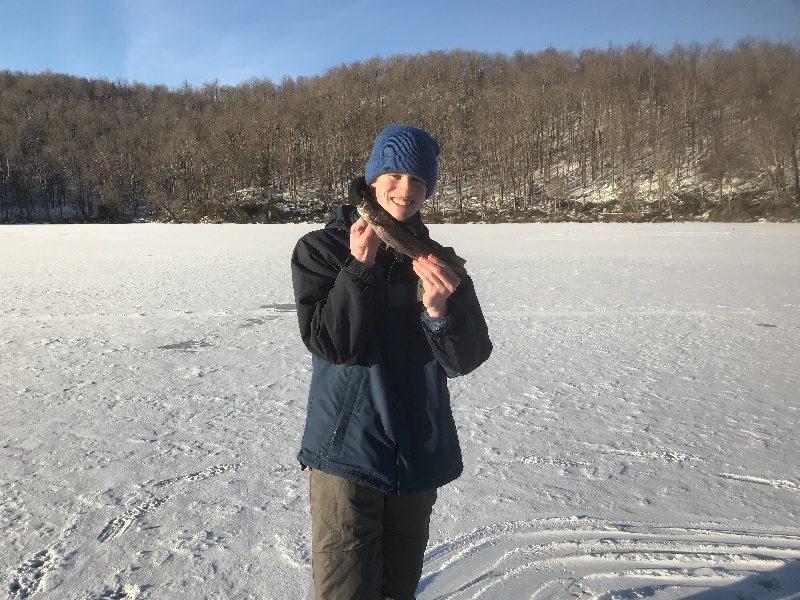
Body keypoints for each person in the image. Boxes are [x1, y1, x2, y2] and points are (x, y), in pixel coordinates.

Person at [291, 124, 492, 599]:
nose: (407, 189)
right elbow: (331, 345)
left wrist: (439, 312)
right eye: (395, 175)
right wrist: (359, 269)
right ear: (373, 179)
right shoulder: (321, 250)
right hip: (348, 455)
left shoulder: (440, 262)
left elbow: (468, 357)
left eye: (419, 180)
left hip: (417, 454)